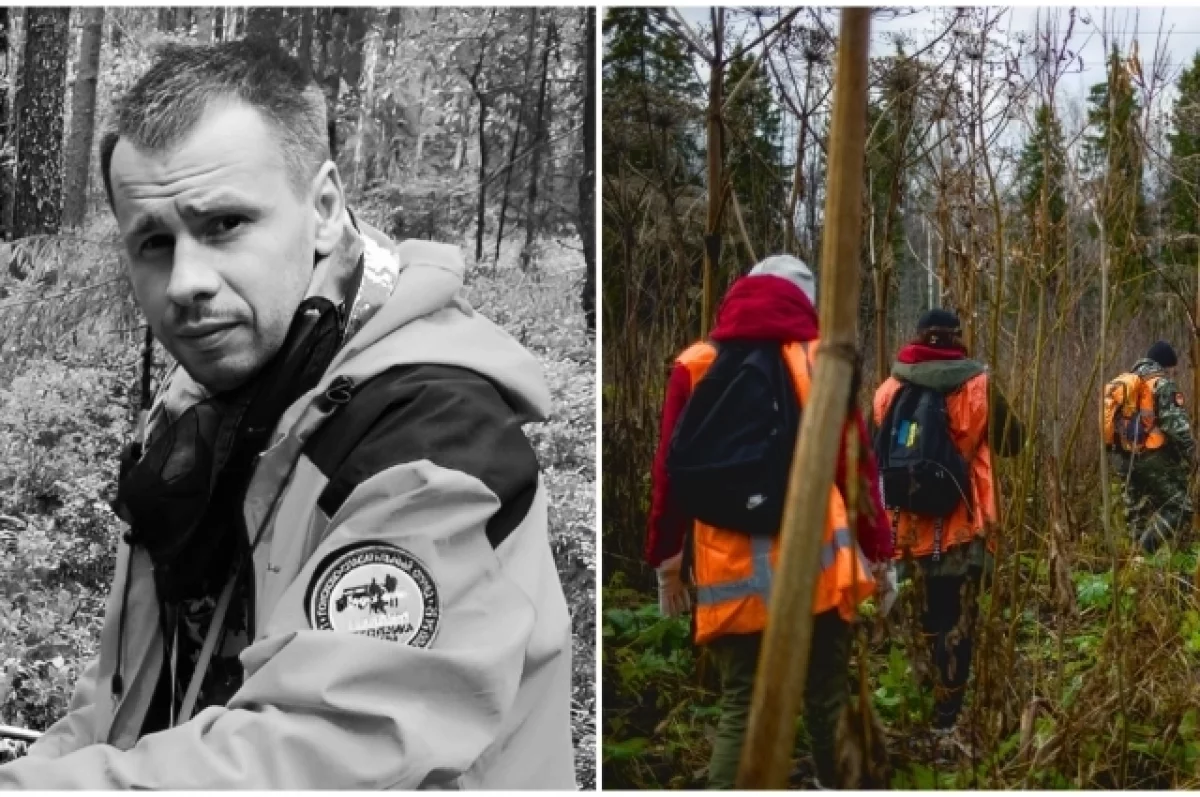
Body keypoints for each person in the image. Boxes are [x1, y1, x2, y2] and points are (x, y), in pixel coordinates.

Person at [0, 40, 574, 789]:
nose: (186, 281)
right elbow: (118, 705)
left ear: (325, 210)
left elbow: (324, 748)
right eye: (154, 242)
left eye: (225, 224)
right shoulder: (197, 415)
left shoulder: (430, 441)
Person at [647, 255, 894, 789]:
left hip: (730, 577)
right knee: (827, 696)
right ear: (807, 303)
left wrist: (667, 562)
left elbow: (669, 473)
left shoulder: (695, 363)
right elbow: (855, 464)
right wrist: (880, 552)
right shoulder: (821, 360)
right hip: (817, 574)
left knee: (741, 704)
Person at [872, 309, 1024, 735]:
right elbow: (1014, 442)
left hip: (906, 531)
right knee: (956, 622)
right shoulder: (979, 385)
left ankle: (922, 701)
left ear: (918, 337)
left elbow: (872, 453)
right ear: (958, 338)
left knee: (922, 618)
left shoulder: (888, 389)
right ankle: (947, 716)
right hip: (962, 529)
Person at [1106, 341, 1196, 553]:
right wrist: (1193, 454)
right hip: (1152, 458)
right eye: (1173, 368)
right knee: (1181, 508)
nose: (1173, 373)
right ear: (1166, 364)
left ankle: (1136, 563)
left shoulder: (1127, 382)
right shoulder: (1161, 384)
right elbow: (1176, 427)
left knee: (1136, 515)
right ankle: (1146, 547)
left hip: (1124, 459)